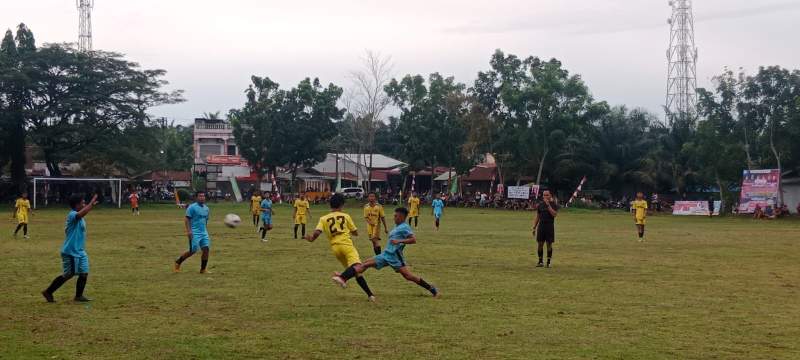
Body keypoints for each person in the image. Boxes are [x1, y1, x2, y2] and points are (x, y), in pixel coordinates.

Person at [331, 207, 440, 298]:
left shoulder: (405, 227)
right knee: (365, 264)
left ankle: (430, 287)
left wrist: (399, 241)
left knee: (408, 276)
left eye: (396, 216)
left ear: (402, 217)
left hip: (396, 257)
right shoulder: (398, 226)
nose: (394, 217)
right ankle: (343, 277)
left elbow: (413, 240)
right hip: (386, 255)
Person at [304, 193, 376, 302]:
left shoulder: (323, 218)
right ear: (342, 205)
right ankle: (342, 277)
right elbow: (355, 232)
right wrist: (354, 233)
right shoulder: (346, 216)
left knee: (356, 272)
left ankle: (370, 295)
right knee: (358, 266)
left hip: (335, 249)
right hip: (346, 245)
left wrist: (310, 238)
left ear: (330, 205)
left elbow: (316, 234)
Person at [42, 194, 98, 302]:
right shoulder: (72, 215)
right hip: (70, 251)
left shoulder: (80, 217)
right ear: (77, 205)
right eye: (83, 202)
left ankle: (79, 296)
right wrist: (91, 204)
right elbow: (81, 214)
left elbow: (82, 214)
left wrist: (90, 206)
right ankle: (48, 292)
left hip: (80, 251)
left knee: (84, 272)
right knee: (69, 274)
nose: (84, 204)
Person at [173, 191, 213, 274]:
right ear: (196, 197)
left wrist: (205, 230)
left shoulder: (206, 208)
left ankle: (203, 269)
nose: (202, 197)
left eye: (203, 196)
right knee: (193, 250)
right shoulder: (192, 207)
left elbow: (205, 220)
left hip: (204, 232)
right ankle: (178, 262)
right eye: (200, 196)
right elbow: (187, 219)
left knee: (206, 249)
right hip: (194, 232)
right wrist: (189, 231)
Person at [532, 189, 559, 268]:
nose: (545, 196)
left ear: (550, 195)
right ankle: (540, 261)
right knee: (540, 244)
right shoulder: (540, 205)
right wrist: (534, 227)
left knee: (549, 244)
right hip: (541, 226)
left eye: (547, 195)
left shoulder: (553, 204)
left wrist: (548, 205)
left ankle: (548, 262)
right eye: (544, 195)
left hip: (549, 226)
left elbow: (554, 214)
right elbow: (538, 216)